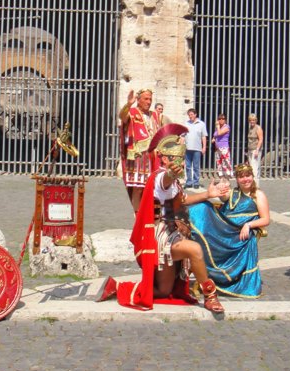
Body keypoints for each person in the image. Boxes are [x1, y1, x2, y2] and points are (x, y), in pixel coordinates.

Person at [98, 124, 229, 314]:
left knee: (163, 290)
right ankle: (210, 296)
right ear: (165, 159)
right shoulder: (161, 178)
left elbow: (182, 200)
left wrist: (208, 194)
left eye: (183, 159)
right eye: (177, 159)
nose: (182, 163)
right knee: (195, 250)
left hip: (174, 232)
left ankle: (117, 287)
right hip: (162, 236)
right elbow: (165, 181)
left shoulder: (174, 182)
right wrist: (170, 173)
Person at [188, 162, 269, 297]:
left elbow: (265, 219)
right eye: (241, 177)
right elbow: (223, 196)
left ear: (252, 176)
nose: (245, 179)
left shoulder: (258, 195)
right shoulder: (233, 193)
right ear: (237, 179)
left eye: (248, 175)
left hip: (239, 234)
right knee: (203, 207)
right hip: (224, 229)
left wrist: (248, 225)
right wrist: (218, 190)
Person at [119, 89, 161, 212]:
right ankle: (136, 214)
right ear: (138, 100)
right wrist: (128, 104)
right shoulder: (132, 112)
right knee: (137, 187)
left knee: (150, 188)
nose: (149, 102)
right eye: (146, 99)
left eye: (150, 99)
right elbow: (122, 116)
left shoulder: (154, 115)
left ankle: (146, 213)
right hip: (138, 157)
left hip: (153, 157)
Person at [183, 108, 208, 189]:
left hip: (197, 149)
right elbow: (183, 135)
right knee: (188, 166)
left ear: (195, 114)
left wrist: (204, 147)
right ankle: (189, 182)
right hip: (187, 148)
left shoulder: (201, 124)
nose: (190, 116)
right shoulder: (186, 123)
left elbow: (204, 136)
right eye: (189, 115)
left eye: (191, 114)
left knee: (196, 167)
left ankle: (196, 182)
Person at [213, 113, 233, 178]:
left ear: (225, 120)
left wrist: (218, 126)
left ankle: (228, 175)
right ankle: (221, 176)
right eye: (219, 119)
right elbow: (215, 135)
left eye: (223, 119)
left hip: (224, 147)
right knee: (219, 162)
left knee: (226, 162)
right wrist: (213, 139)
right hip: (217, 147)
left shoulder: (226, 127)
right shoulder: (218, 128)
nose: (221, 120)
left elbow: (219, 133)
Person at [246, 113, 263, 181]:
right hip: (250, 149)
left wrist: (257, 150)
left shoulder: (258, 128)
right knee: (251, 167)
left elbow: (261, 139)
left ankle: (256, 186)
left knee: (254, 168)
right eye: (250, 120)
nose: (252, 121)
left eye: (253, 120)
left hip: (255, 150)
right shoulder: (250, 128)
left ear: (256, 120)